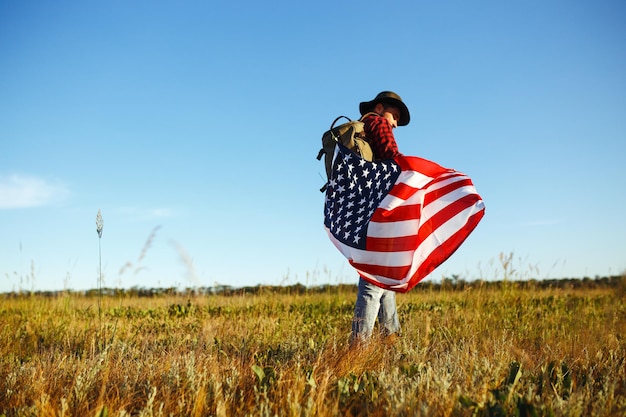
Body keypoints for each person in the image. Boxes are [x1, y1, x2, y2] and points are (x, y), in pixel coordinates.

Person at [350, 91, 411, 345]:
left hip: (362, 213)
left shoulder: (362, 129)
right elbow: (392, 157)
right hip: (376, 214)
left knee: (382, 276)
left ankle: (391, 342)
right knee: (373, 281)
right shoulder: (377, 122)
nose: (394, 123)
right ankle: (357, 351)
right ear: (379, 107)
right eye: (394, 116)